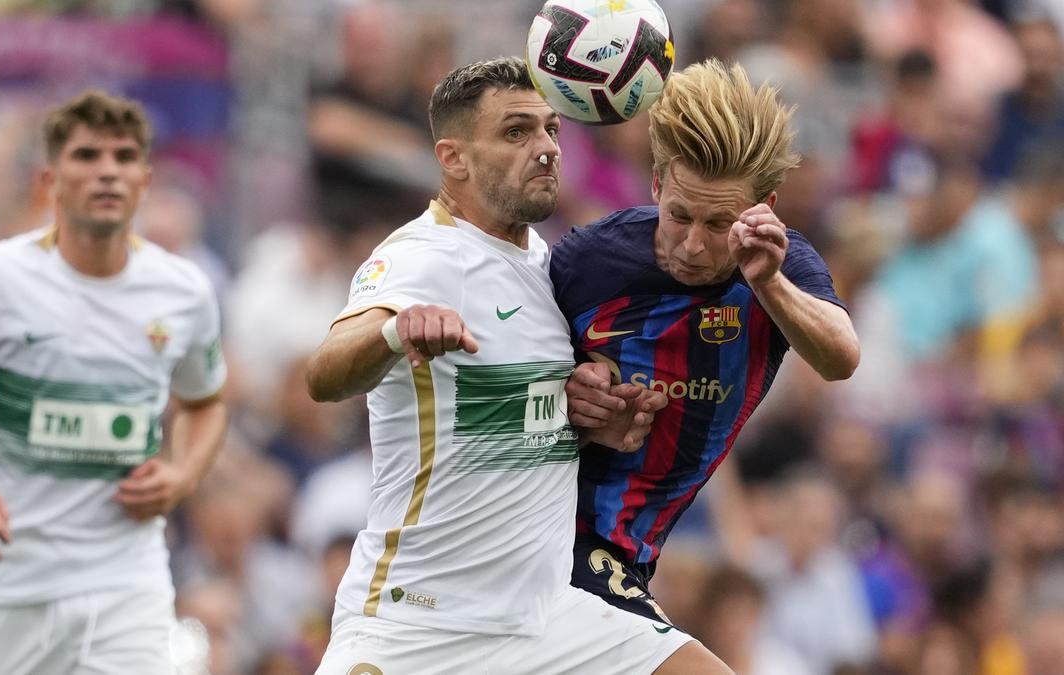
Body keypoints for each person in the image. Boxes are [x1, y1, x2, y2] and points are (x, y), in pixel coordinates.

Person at [306, 57, 731, 674]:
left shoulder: (545, 263)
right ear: (454, 158)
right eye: (515, 132)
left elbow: (509, 412)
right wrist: (396, 331)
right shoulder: (424, 257)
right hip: (419, 625)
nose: (544, 149)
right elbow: (325, 374)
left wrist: (588, 415)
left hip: (544, 619)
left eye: (551, 130)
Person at [0, 90, 228, 675]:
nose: (107, 172)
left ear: (145, 178)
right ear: (50, 179)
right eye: (87, 156)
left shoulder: (183, 290)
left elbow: (207, 403)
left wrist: (183, 475)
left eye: (123, 158)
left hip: (125, 584)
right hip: (1, 583)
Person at [555, 60, 860, 627]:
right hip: (550, 528)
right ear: (656, 183)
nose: (693, 246)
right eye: (679, 216)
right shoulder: (589, 260)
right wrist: (566, 397)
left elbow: (840, 358)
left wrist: (767, 281)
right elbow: (502, 370)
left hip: (629, 555)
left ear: (763, 206)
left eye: (719, 224)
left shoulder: (781, 267)